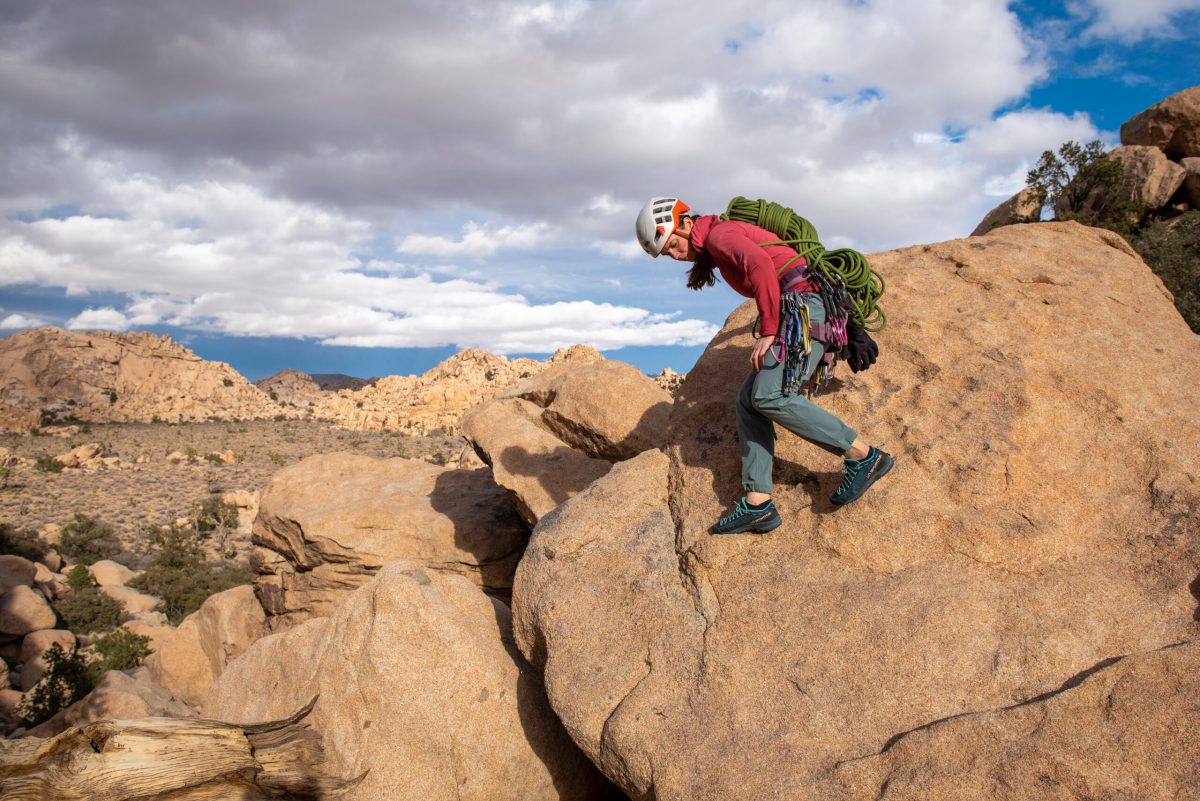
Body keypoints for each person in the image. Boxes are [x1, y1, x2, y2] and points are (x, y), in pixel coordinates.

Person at [636, 196, 893, 534]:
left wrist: (769, 330)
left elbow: (760, 266)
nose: (674, 256)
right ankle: (758, 502)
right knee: (748, 401)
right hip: (799, 309)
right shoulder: (717, 239)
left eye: (670, 246)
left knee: (770, 396)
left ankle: (863, 456)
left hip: (803, 310)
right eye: (667, 254)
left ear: (684, 223)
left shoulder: (718, 235)